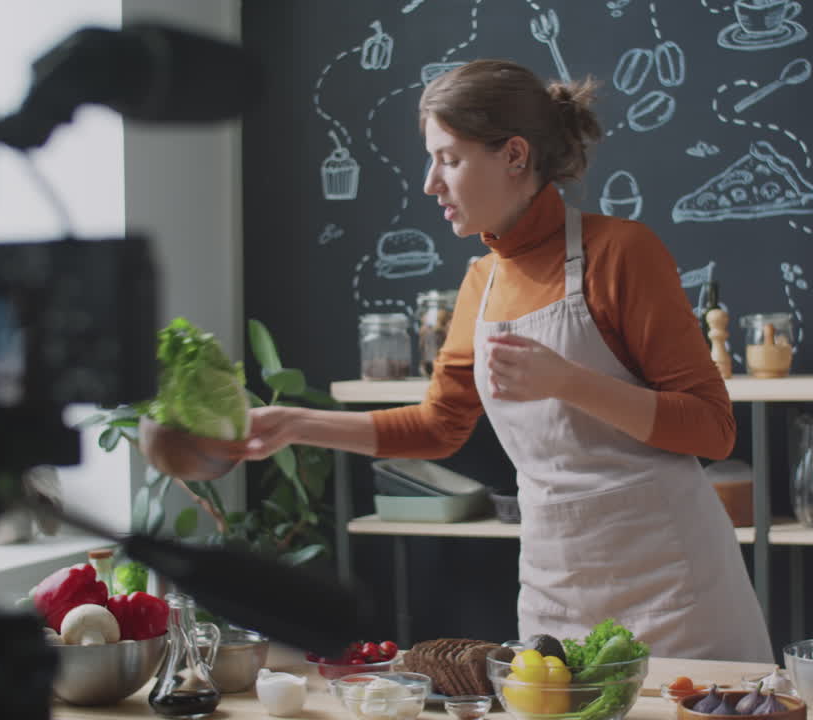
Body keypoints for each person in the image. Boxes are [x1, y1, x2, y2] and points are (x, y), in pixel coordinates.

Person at [235, 59, 772, 661]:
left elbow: (712, 429)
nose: (429, 182)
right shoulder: (480, 283)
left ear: (514, 155)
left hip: (674, 592)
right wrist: (296, 426)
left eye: (449, 158)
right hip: (557, 591)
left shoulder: (622, 254)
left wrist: (568, 381)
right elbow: (438, 427)